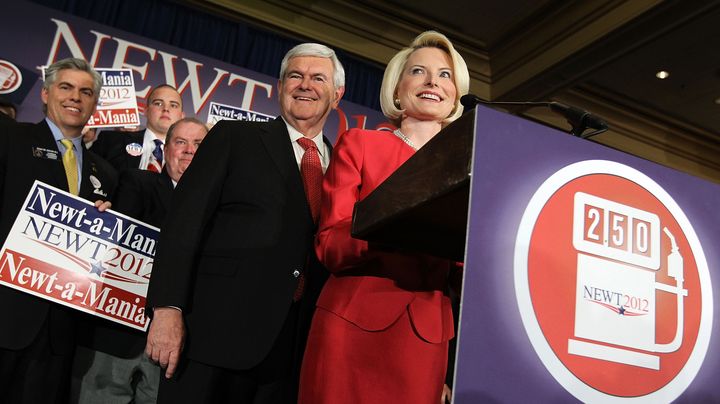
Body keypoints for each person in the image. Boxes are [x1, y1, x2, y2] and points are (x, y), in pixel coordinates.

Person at [144, 42, 345, 403]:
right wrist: (166, 308)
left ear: (337, 94)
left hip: (292, 352)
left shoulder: (344, 165)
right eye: (295, 76)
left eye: (318, 78)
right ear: (279, 86)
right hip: (211, 337)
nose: (305, 84)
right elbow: (183, 223)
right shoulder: (234, 137)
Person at [298, 31, 469, 404]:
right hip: (352, 325)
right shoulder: (361, 144)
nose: (431, 83)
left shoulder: (472, 168)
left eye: (444, 75)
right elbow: (329, 245)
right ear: (396, 89)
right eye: (419, 71)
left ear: (456, 93)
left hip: (425, 339)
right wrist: (389, 226)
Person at [0, 57, 117, 403]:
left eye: (86, 92)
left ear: (95, 104)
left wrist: (106, 224)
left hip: (61, 332)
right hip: (6, 314)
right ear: (46, 94)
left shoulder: (107, 173)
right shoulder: (10, 137)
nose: (75, 98)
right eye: (66, 87)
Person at [71, 117, 208, 404]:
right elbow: (115, 235)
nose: (189, 150)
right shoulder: (137, 182)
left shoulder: (221, 210)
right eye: (180, 142)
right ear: (165, 149)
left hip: (176, 353)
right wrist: (104, 216)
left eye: (198, 144)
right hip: (115, 339)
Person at [91, 84, 185, 172]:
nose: (166, 109)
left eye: (173, 105)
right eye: (158, 103)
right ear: (146, 111)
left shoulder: (191, 154)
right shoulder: (111, 140)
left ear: (182, 116)